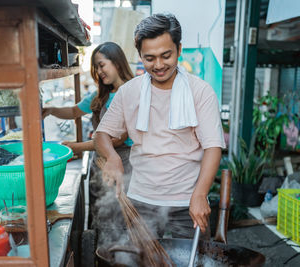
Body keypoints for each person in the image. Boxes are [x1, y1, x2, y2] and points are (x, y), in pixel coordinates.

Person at [94, 14, 225, 240]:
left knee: (196, 261)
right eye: (150, 58)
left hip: (189, 201)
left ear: (179, 49)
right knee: (141, 262)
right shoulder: (129, 92)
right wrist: (112, 158)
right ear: (140, 56)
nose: (159, 65)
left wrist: (201, 193)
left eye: (166, 56)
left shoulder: (201, 92)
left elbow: (213, 146)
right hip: (141, 200)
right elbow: (101, 135)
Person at [42, 42, 134, 227]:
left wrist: (78, 147)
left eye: (102, 65)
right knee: (99, 214)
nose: (99, 72)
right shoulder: (100, 94)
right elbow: (75, 111)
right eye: (96, 67)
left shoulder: (131, 93)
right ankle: (98, 254)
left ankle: (115, 255)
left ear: (117, 62)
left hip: (122, 163)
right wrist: (51, 110)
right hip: (98, 164)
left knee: (117, 217)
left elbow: (116, 139)